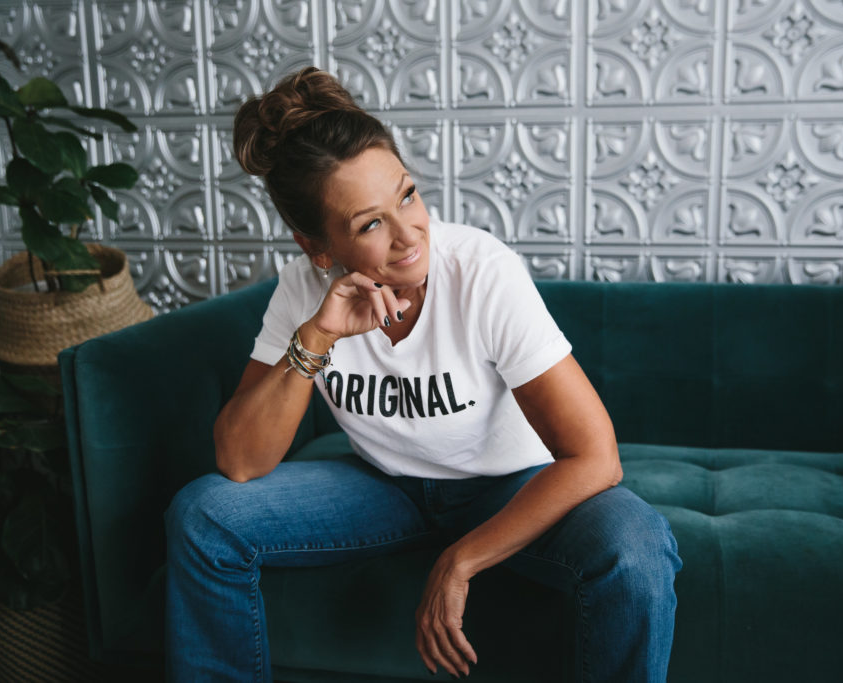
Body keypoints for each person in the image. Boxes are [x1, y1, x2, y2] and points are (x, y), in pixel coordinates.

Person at [164, 66, 682, 683]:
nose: (410, 235)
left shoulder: (481, 271)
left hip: (509, 484)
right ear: (317, 248)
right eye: (369, 223)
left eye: (407, 195)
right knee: (203, 515)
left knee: (638, 546)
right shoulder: (306, 290)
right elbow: (241, 461)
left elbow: (597, 458)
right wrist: (318, 336)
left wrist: (459, 562)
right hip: (386, 488)